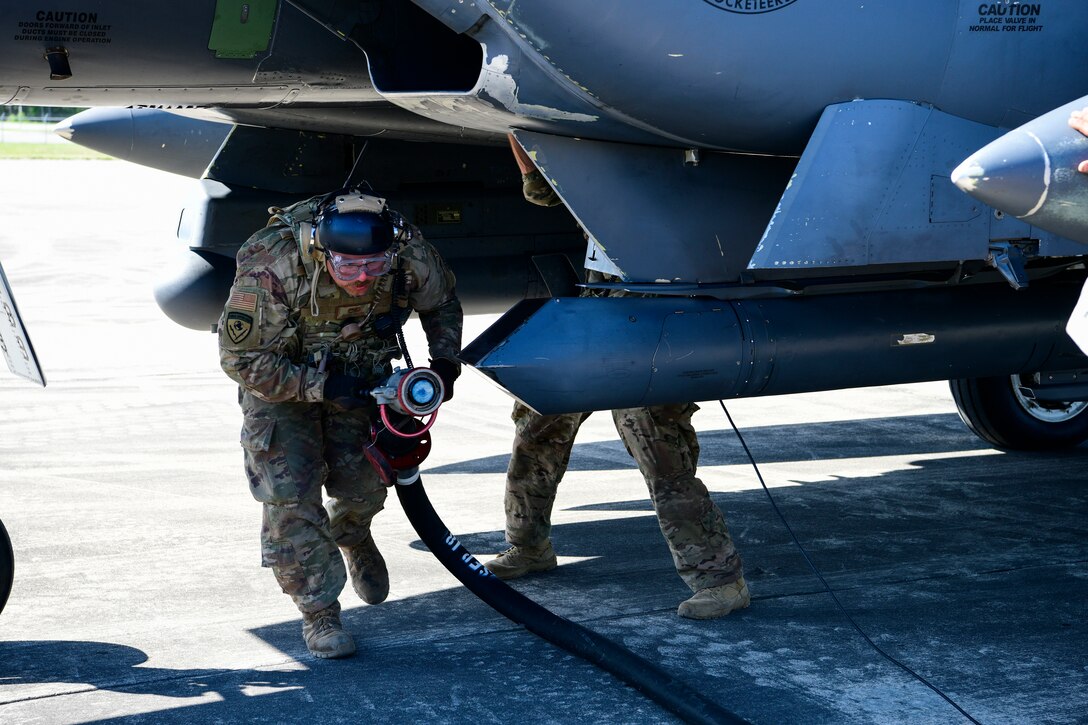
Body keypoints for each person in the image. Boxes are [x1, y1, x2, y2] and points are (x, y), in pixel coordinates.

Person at [485, 135, 749, 620]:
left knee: (657, 445)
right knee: (538, 421)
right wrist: (515, 126)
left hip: (657, 318)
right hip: (602, 308)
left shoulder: (678, 162)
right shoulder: (602, 164)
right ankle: (528, 545)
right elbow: (541, 189)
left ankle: (719, 579)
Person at [219, 188, 462, 658]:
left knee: (365, 484)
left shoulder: (408, 253)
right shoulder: (275, 263)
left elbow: (442, 303)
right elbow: (242, 360)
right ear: (318, 249)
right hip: (280, 387)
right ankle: (319, 612)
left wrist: (445, 362)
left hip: (362, 376)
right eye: (348, 267)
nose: (361, 278)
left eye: (373, 268)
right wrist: (324, 388)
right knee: (289, 497)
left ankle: (352, 532)